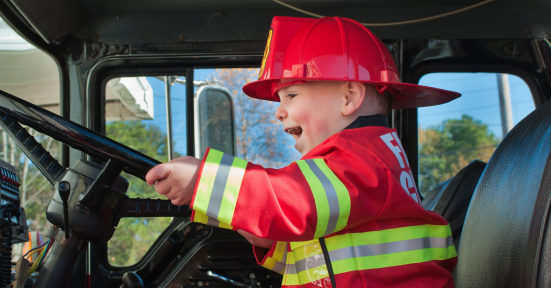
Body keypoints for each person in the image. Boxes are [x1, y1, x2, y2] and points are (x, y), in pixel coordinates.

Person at [146, 16, 461, 288]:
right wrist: (270, 240)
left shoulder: (362, 158)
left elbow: (293, 199)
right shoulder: (373, 159)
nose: (279, 112)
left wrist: (205, 178)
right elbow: (329, 257)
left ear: (349, 98)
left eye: (292, 94)